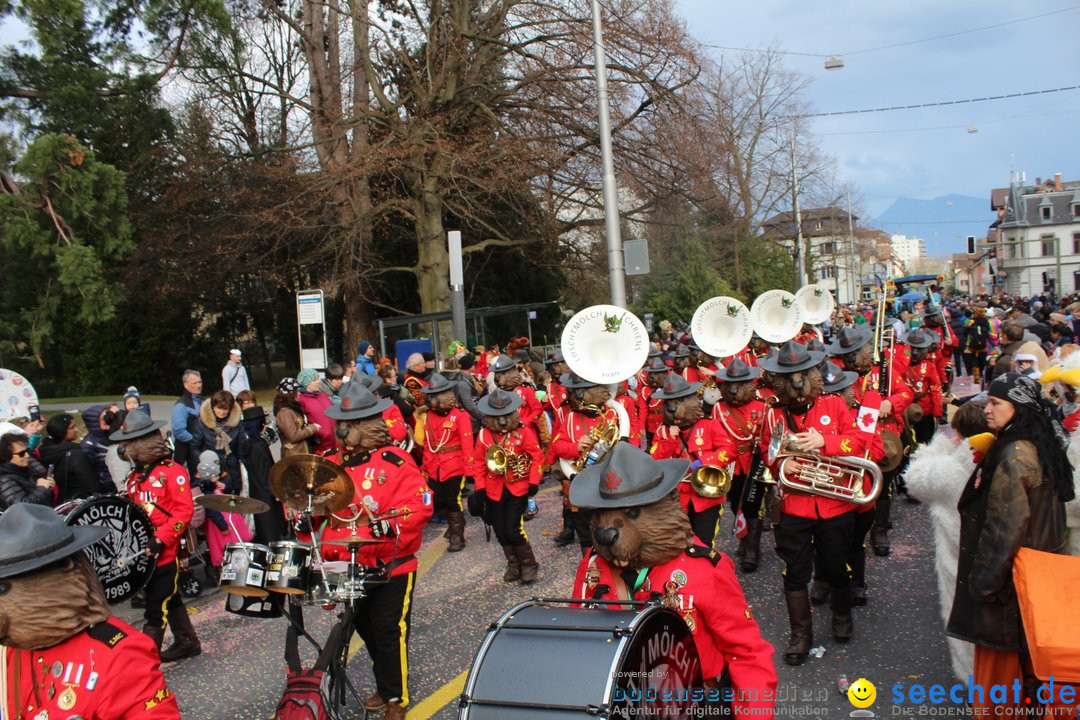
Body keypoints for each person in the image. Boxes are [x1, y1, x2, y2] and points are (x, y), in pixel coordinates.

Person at [569, 443, 777, 716]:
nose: (607, 531)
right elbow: (576, 636)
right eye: (602, 514)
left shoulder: (703, 569)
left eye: (632, 513)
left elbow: (747, 653)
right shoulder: (593, 565)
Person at [947, 373, 1072, 711]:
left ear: (1018, 408)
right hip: (1036, 573)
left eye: (996, 404)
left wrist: (984, 585)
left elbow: (1005, 529)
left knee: (1003, 679)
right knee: (1033, 671)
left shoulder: (1015, 456)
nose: (987, 410)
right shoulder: (1035, 442)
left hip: (1010, 583)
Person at [318, 382, 434, 720]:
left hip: (390, 563)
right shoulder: (329, 464)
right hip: (348, 564)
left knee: (388, 631)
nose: (342, 431)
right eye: (341, 423)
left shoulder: (394, 460)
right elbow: (320, 510)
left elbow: (422, 503)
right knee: (364, 629)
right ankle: (384, 686)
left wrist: (390, 526)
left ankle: (395, 698)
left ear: (367, 425)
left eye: (350, 425)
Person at [0, 504, 181, 719]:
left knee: (162, 603)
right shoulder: (12, 649)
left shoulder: (118, 655)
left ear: (61, 575)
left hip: (164, 553)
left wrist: (161, 537)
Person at [760, 340, 863, 665]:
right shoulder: (773, 413)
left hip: (834, 505)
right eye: (789, 376)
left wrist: (826, 441)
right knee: (795, 572)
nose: (797, 382)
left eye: (802, 374)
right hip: (794, 507)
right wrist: (780, 465)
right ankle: (800, 636)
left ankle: (842, 615)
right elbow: (768, 450)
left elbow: (859, 441)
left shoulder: (834, 405)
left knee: (835, 565)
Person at [109, 410, 200, 662]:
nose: (123, 451)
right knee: (169, 599)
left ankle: (146, 663)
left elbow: (184, 511)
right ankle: (187, 642)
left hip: (165, 553)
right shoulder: (135, 478)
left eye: (127, 445)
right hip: (145, 554)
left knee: (155, 607)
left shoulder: (172, 472)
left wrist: (161, 538)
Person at [469, 388, 542, 583]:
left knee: (512, 529)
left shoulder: (523, 432)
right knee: (500, 531)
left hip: (518, 488)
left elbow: (537, 457)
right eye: (496, 416)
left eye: (505, 416)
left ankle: (529, 563)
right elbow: (478, 463)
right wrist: (480, 488)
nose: (502, 421)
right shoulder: (484, 435)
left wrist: (533, 482)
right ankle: (513, 563)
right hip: (494, 489)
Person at [419, 373, 475, 551]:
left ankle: (458, 536)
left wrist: (470, 469)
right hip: (435, 466)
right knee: (438, 500)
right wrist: (426, 466)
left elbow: (467, 444)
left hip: (454, 466)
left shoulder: (460, 415)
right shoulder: (428, 415)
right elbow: (428, 442)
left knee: (453, 500)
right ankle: (453, 525)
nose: (429, 399)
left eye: (433, 396)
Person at [38, 412, 110, 504]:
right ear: (61, 431)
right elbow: (91, 483)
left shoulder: (44, 451)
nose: (76, 430)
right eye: (72, 427)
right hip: (78, 502)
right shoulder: (75, 454)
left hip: (56, 503)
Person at [192, 390, 245, 494]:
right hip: (210, 471)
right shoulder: (201, 423)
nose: (222, 412)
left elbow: (241, 448)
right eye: (219, 408)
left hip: (232, 468)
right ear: (213, 407)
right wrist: (206, 461)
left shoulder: (237, 424)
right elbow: (194, 448)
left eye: (225, 409)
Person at [0, 431, 54, 511]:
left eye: (27, 451)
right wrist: (42, 488)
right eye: (21, 453)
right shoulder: (4, 479)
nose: (27, 455)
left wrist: (47, 489)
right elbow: (20, 507)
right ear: (7, 456)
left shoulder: (24, 469)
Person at [274, 377, 319, 458]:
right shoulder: (285, 412)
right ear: (291, 393)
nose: (299, 393)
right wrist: (312, 428)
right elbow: (293, 437)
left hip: (300, 453)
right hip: (294, 457)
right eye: (297, 391)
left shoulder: (294, 408)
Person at [171, 369, 205, 477]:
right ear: (186, 385)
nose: (198, 385)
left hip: (202, 449)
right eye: (194, 383)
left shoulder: (203, 401)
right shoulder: (180, 405)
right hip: (188, 452)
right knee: (196, 484)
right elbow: (179, 432)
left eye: (200, 382)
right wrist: (197, 442)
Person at [79, 403, 117, 491]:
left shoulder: (111, 434)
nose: (109, 419)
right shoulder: (88, 445)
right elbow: (89, 472)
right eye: (105, 417)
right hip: (107, 484)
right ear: (94, 422)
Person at [297, 368, 335, 454]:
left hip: (334, 441)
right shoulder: (301, 400)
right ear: (306, 383)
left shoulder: (323, 395)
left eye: (318, 378)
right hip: (319, 445)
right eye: (314, 380)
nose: (318, 381)